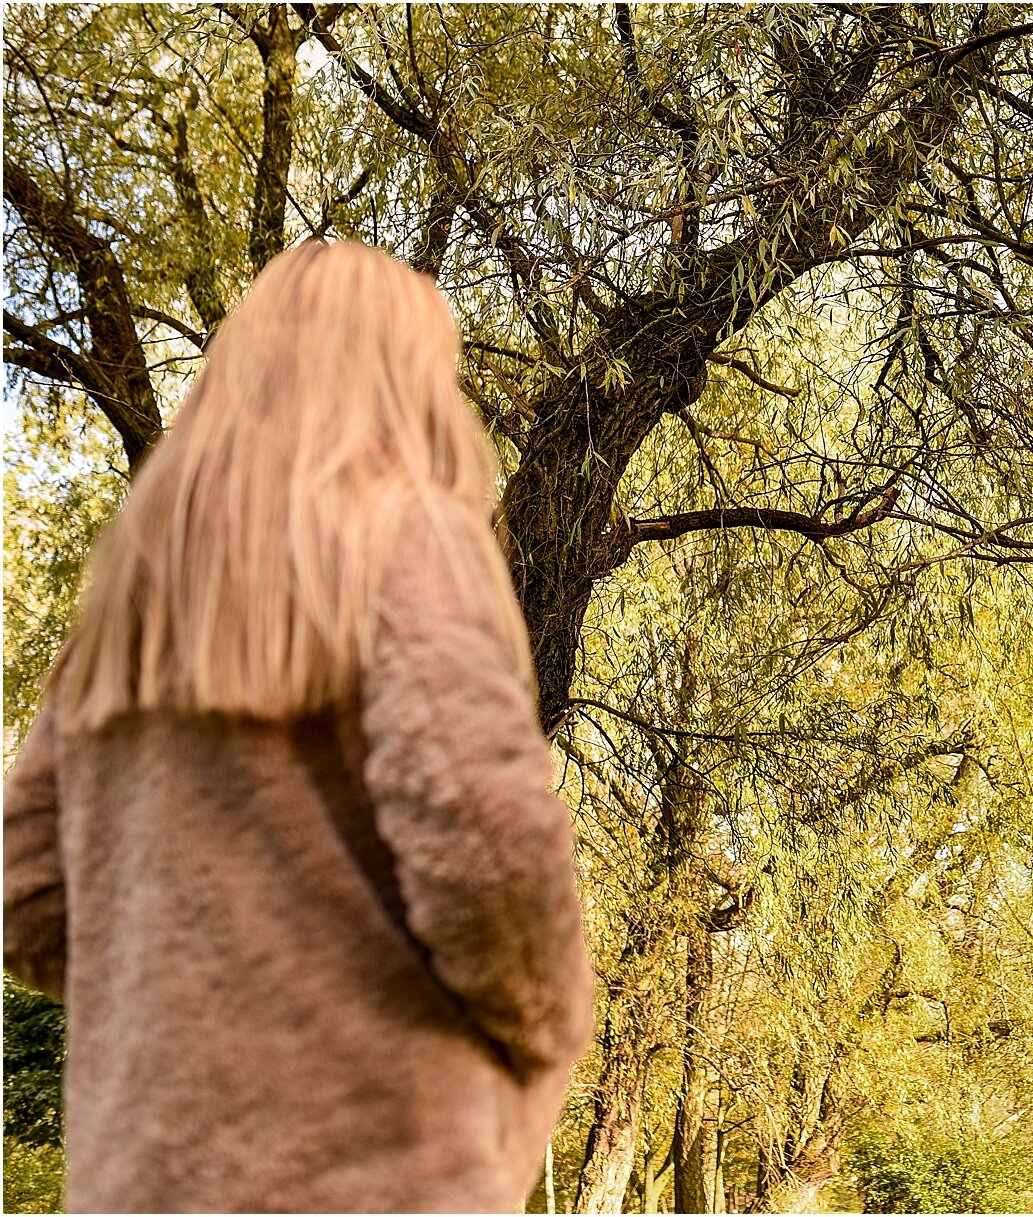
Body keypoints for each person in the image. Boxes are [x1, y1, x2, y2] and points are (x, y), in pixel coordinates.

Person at [3, 241, 596, 1212]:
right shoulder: (408, 533)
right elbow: (487, 848)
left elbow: (25, 898)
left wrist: (186, 1008)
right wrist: (551, 1027)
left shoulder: (124, 605)